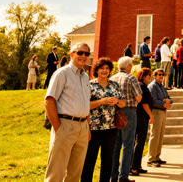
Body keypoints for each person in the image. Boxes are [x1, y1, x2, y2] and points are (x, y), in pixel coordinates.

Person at [42, 42, 92, 182]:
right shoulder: (62, 74)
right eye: (79, 52)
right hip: (65, 125)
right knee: (55, 174)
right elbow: (49, 101)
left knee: (75, 175)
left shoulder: (85, 77)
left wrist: (87, 126)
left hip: (82, 127)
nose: (83, 56)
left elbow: (85, 102)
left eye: (86, 53)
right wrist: (58, 128)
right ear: (71, 54)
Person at [81, 57, 125, 182]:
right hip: (93, 128)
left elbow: (123, 103)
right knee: (89, 159)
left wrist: (117, 101)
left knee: (108, 159)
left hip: (111, 128)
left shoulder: (115, 85)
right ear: (97, 70)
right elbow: (85, 105)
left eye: (107, 68)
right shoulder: (89, 85)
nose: (105, 71)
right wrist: (102, 101)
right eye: (102, 68)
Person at [110, 56, 143, 182]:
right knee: (128, 144)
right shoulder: (131, 78)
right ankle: (123, 176)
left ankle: (113, 175)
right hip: (128, 111)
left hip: (114, 111)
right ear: (129, 66)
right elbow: (139, 98)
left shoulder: (112, 78)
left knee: (116, 145)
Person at [146, 69, 172, 168]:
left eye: (163, 75)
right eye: (159, 75)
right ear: (155, 76)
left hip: (163, 112)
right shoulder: (153, 86)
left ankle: (157, 157)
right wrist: (164, 104)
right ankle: (151, 159)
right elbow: (153, 101)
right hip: (156, 112)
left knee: (160, 135)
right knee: (155, 135)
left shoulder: (162, 86)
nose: (161, 76)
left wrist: (169, 101)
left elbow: (169, 97)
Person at [130, 68, 153, 177]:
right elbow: (144, 103)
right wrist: (151, 115)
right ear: (143, 75)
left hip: (139, 116)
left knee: (140, 142)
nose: (149, 77)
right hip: (141, 117)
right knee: (139, 141)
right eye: (148, 75)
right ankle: (133, 167)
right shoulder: (142, 86)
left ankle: (137, 165)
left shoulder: (141, 85)